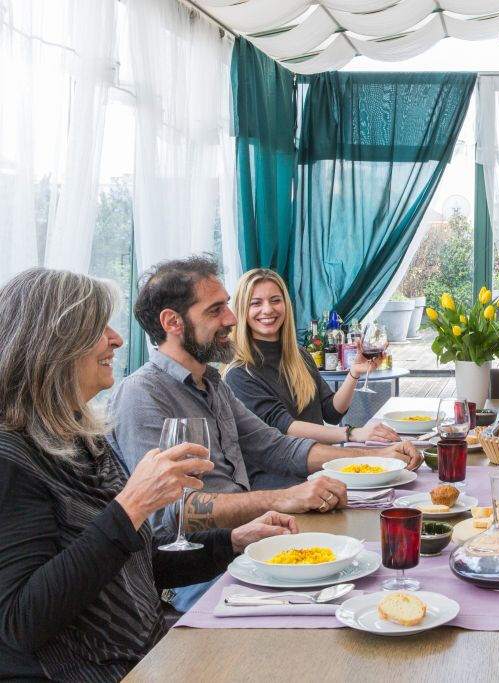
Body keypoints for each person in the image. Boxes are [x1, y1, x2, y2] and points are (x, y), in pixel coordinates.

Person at [0, 268, 297, 682]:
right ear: (54, 345)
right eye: (97, 328)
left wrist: (230, 541)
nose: (117, 339)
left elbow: (133, 564)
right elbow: (18, 625)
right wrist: (131, 506)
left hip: (148, 651)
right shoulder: (11, 457)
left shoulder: (83, 439)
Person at [107, 255, 422, 534]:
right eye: (216, 310)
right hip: (204, 571)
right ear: (172, 322)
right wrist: (286, 498)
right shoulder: (141, 394)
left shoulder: (212, 383)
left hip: (250, 535)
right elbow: (165, 514)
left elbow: (279, 448)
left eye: (228, 306)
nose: (231, 318)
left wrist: (379, 456)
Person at [224, 268, 398, 488]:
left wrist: (354, 372)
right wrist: (353, 434)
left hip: (320, 469)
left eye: (275, 300)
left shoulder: (298, 355)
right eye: (255, 303)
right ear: (241, 310)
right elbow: (286, 426)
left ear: (285, 305)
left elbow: (332, 411)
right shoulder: (239, 373)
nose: (267, 309)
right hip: (280, 482)